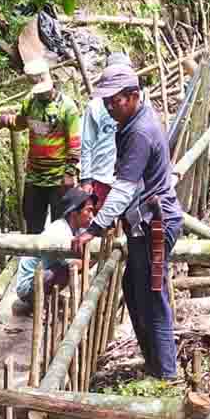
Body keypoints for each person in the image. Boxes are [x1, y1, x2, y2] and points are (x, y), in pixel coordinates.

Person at [72, 61, 184, 380]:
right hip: (143, 222)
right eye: (106, 102)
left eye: (114, 101)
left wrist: (93, 229)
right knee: (134, 291)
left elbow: (123, 190)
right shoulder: (134, 120)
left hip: (153, 225)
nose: (109, 108)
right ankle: (154, 365)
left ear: (133, 95)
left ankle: (165, 375)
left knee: (152, 298)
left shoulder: (139, 132)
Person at [0, 57, 82, 234]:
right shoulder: (30, 101)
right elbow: (19, 123)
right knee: (32, 222)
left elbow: (74, 143)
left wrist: (69, 173)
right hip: (35, 176)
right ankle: (32, 259)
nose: (41, 95)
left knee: (61, 226)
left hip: (58, 177)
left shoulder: (67, 107)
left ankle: (58, 262)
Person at [11, 189, 98, 317]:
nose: (91, 215)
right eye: (88, 210)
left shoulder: (74, 229)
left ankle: (46, 299)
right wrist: (91, 259)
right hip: (29, 286)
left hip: (40, 278)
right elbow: (74, 265)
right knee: (70, 268)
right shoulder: (60, 232)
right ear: (74, 212)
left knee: (74, 266)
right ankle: (40, 301)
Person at [78, 52, 129, 205]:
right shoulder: (96, 106)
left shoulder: (136, 103)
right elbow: (86, 143)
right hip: (100, 176)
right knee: (98, 221)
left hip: (126, 178)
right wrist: (86, 179)